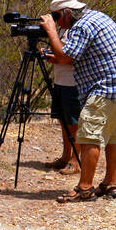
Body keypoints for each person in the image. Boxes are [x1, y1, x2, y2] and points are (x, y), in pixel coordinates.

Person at [39, 0, 116, 203]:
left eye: (57, 17)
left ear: (68, 12)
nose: (58, 22)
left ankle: (85, 188)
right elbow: (82, 56)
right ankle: (110, 183)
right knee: (114, 136)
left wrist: (50, 31)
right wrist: (57, 53)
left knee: (88, 137)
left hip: (106, 88)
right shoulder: (98, 17)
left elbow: (65, 57)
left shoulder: (81, 27)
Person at [42, 27, 82, 174]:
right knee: (63, 120)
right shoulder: (60, 30)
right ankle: (65, 157)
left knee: (74, 123)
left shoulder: (76, 31)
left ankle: (75, 160)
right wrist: (49, 54)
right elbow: (61, 54)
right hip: (60, 81)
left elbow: (73, 57)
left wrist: (55, 57)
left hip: (73, 83)